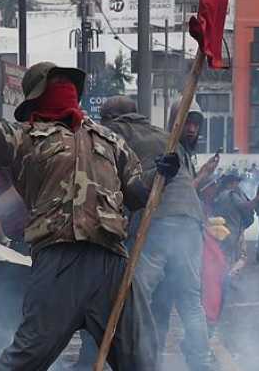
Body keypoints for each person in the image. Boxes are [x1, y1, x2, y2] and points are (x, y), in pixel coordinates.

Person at [0, 61, 179, 371]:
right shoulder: (26, 137)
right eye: (56, 83)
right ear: (40, 96)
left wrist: (160, 175)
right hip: (59, 260)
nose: (64, 89)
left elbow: (137, 192)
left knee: (141, 359)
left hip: (111, 262)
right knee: (27, 356)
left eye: (66, 83)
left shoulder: (111, 141)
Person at [100, 95, 218, 371]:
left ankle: (138, 361)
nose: (191, 128)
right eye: (187, 122)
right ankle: (200, 362)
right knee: (190, 300)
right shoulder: (172, 144)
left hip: (160, 222)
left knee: (135, 296)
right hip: (190, 224)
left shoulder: (118, 131)